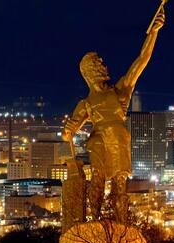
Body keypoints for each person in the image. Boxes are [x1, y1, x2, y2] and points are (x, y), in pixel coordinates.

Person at [62, 8, 166, 223]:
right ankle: (94, 221)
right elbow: (69, 131)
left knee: (120, 183)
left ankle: (121, 223)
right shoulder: (86, 103)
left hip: (118, 138)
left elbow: (141, 62)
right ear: (90, 72)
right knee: (97, 180)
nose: (104, 66)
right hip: (98, 140)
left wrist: (153, 33)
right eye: (98, 64)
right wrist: (68, 130)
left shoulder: (119, 91)